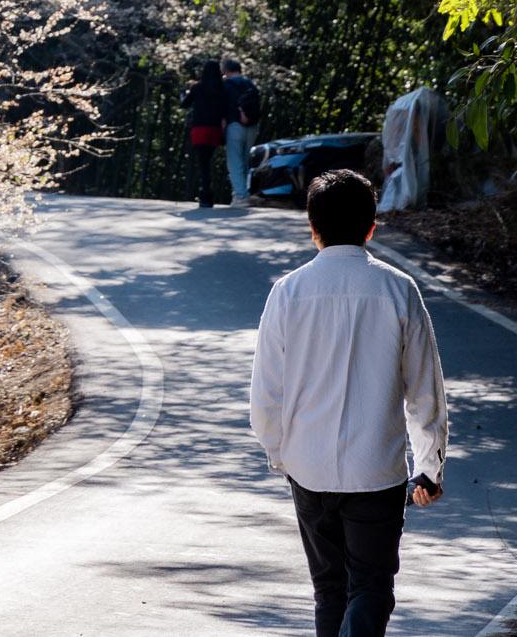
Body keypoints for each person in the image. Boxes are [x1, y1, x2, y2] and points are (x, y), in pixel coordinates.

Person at [249, 170, 448, 637]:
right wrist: (429, 466)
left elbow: (266, 392)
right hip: (375, 469)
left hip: (308, 467)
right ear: (372, 226)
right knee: (371, 587)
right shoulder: (399, 290)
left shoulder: (288, 292)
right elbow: (425, 390)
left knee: (328, 589)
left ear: (312, 227)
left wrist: (280, 454)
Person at [182, 61, 232, 206]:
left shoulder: (197, 88)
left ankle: (205, 194)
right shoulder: (223, 89)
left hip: (199, 129)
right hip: (215, 130)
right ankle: (208, 194)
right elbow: (226, 109)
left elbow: (184, 104)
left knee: (203, 164)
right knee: (208, 161)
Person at [221, 58, 262, 202]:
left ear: (225, 70)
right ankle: (243, 191)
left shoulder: (226, 84)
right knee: (245, 161)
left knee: (234, 161)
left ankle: (240, 195)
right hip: (252, 126)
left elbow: (223, 106)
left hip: (234, 126)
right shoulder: (250, 84)